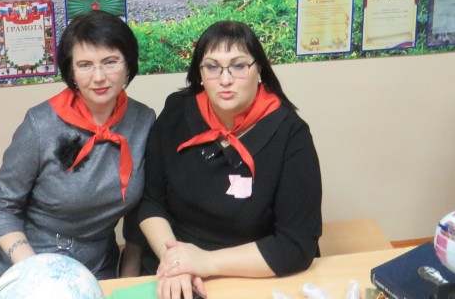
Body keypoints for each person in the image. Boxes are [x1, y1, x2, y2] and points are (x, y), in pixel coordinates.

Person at [0, 10, 156, 299]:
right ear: (71, 72)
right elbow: (1, 207)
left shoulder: (144, 121)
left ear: (128, 66)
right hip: (15, 254)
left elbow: (143, 209)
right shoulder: (40, 124)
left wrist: (128, 278)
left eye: (110, 62)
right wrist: (37, 274)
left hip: (91, 263)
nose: (99, 77)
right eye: (85, 65)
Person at [138, 20, 322, 299]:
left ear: (259, 70)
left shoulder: (290, 134)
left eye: (238, 66)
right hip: (173, 269)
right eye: (212, 67)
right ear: (200, 74)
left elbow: (295, 245)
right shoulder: (177, 111)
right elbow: (151, 201)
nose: (225, 80)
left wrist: (204, 262)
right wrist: (175, 259)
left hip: (252, 274)